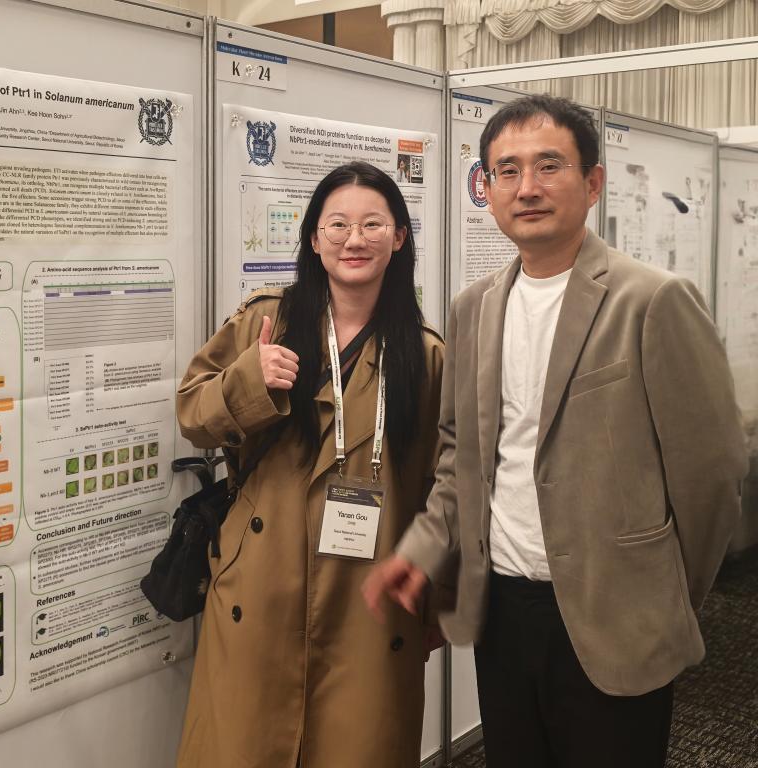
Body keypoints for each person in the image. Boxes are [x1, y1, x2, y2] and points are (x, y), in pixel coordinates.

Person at [363, 94, 747, 768]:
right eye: (507, 171)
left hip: (616, 611)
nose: (527, 188)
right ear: (486, 189)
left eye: (549, 166)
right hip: (503, 610)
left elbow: (711, 478)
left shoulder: (651, 300)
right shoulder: (474, 308)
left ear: (592, 182)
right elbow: (460, 459)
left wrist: (664, 596)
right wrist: (420, 549)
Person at [175, 161, 445, 767]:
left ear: (400, 237)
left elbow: (443, 489)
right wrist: (250, 380)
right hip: (259, 585)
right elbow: (192, 414)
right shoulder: (266, 321)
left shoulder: (423, 354)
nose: (355, 239)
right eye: (338, 224)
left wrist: (437, 597)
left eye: (373, 224)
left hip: (368, 597)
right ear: (314, 238)